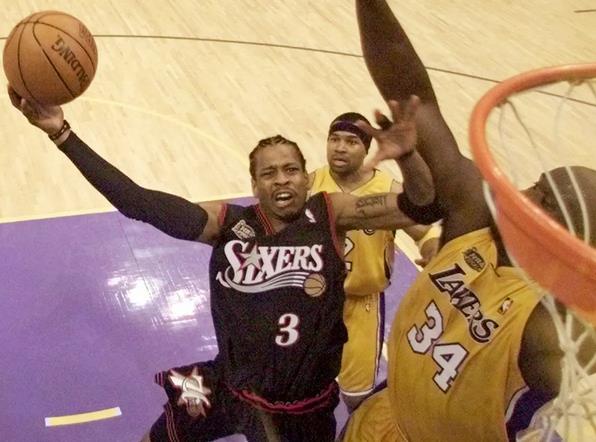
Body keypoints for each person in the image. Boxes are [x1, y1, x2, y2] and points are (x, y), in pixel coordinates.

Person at [8, 85, 435, 441]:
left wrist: (409, 157)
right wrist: (61, 133)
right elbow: (137, 202)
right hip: (228, 387)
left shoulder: (331, 213)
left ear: (306, 178)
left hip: (301, 410)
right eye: (269, 173)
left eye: (291, 170)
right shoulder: (228, 223)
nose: (282, 179)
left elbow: (421, 206)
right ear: (254, 184)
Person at [341, 1, 596, 441]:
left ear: (573, 241)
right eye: (536, 184)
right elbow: (411, 94)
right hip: (381, 420)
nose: (524, 195)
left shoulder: (550, 327)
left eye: (546, 200)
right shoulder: (476, 213)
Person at [309, 112, 440, 410]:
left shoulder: (389, 190)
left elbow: (425, 230)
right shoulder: (311, 183)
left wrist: (432, 247)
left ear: (366, 148)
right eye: (334, 139)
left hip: (360, 304)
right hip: (313, 301)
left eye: (351, 141)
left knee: (356, 396)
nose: (340, 148)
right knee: (300, 380)